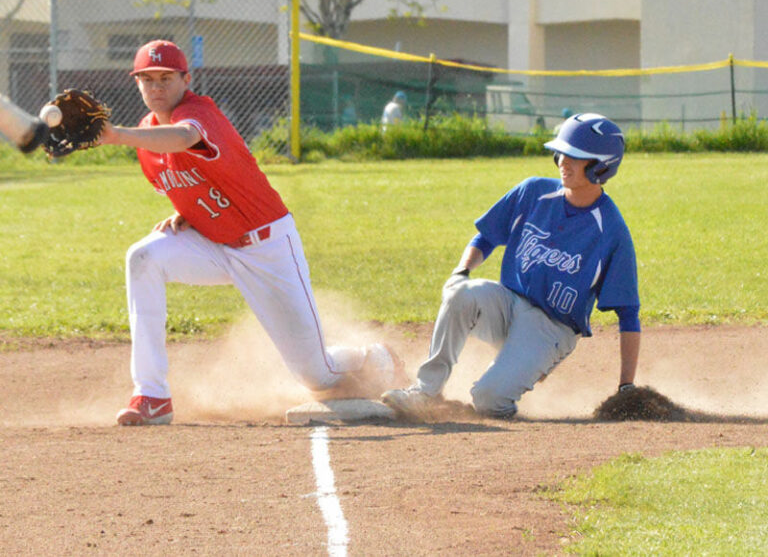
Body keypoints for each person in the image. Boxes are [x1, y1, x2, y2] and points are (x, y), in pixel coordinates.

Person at [97, 39, 407, 425]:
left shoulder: (200, 113)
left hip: (268, 247)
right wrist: (189, 214)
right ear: (137, 83)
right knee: (143, 257)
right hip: (215, 245)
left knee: (317, 375)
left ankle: (375, 358)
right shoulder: (146, 136)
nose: (156, 87)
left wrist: (115, 135)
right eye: (147, 79)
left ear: (185, 79)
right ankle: (152, 395)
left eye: (166, 78)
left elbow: (183, 138)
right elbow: (194, 182)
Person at [383, 113, 640, 419]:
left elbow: (628, 313)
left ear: (601, 166)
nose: (563, 161)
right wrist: (460, 272)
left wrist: (626, 385)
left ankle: (514, 390)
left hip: (552, 329)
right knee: (460, 293)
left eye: (576, 156)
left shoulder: (610, 230)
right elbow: (486, 237)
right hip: (507, 305)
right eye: (561, 153)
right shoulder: (534, 192)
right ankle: (426, 392)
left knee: (488, 401)